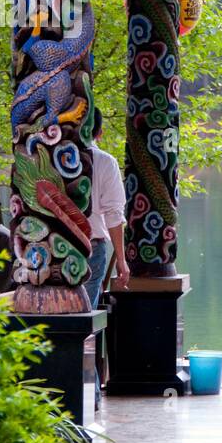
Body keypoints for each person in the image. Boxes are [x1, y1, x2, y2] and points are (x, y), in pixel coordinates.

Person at [87, 109, 130, 311]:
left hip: (50, 247)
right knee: (84, 316)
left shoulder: (47, 159)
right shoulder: (105, 161)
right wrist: (121, 260)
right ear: (99, 133)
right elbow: (114, 215)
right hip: (91, 247)